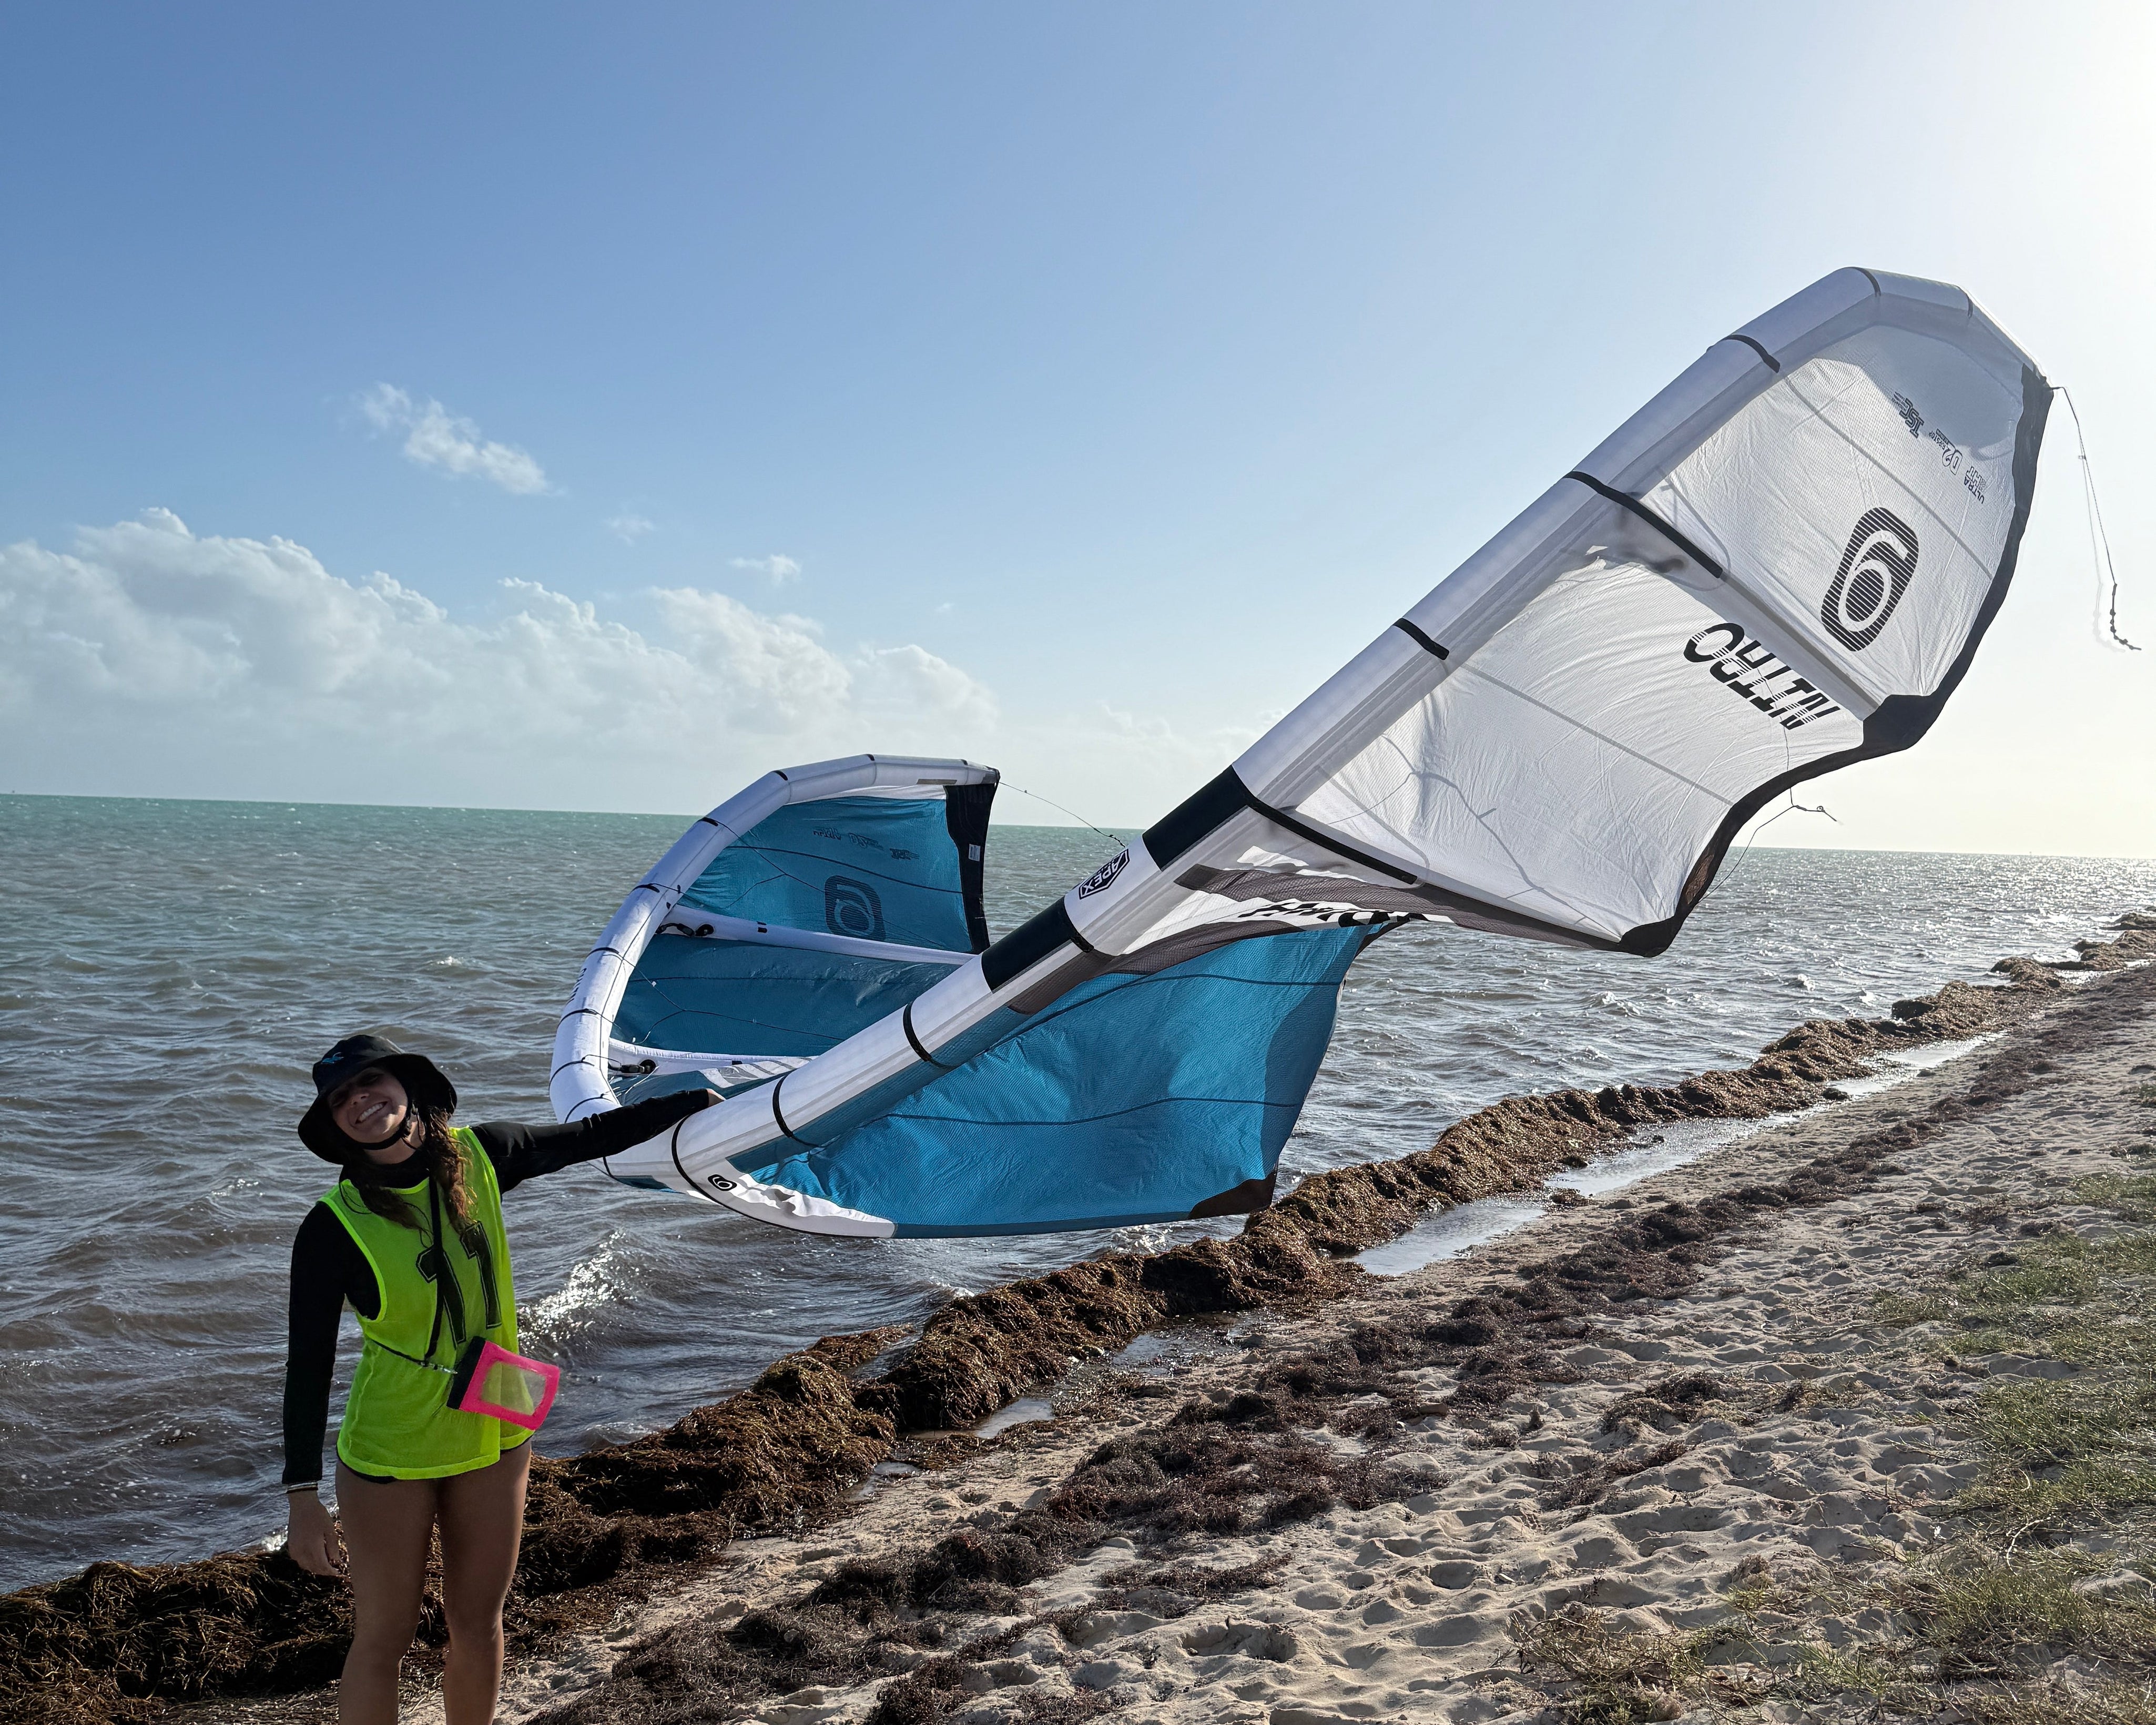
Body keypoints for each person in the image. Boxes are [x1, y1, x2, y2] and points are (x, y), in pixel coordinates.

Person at [281, 1033, 716, 1724]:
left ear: (407, 1085)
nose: (359, 1101)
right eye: (340, 1099)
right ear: (333, 1125)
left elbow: (596, 1135)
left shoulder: (485, 1156)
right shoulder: (332, 1228)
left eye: (370, 1083)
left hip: (500, 1416)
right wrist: (302, 1497)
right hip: (392, 1448)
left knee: (478, 1621)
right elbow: (307, 1366)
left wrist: (703, 1103)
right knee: (385, 1638)